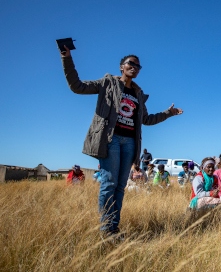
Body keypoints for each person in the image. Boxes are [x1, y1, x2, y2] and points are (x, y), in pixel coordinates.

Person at [60, 47, 183, 236]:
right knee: (108, 183)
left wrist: (168, 113)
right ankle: (105, 229)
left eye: (138, 66)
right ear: (121, 67)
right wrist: (67, 58)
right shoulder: (107, 83)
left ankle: (113, 227)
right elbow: (77, 86)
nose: (135, 67)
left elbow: (146, 120)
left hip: (130, 143)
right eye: (131, 64)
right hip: (111, 139)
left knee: (120, 186)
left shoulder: (138, 94)